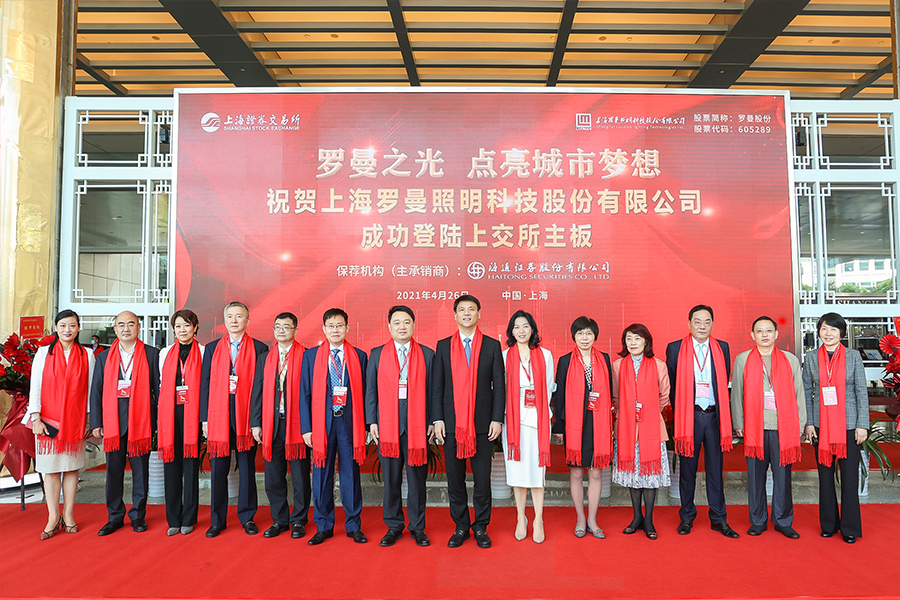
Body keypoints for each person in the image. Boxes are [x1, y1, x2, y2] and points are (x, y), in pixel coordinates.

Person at [431, 294, 505, 548]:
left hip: (483, 425)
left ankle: (481, 526)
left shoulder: (491, 346)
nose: (466, 313)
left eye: (471, 309)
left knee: (482, 479)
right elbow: (437, 387)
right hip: (451, 425)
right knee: (455, 479)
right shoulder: (443, 346)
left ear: (478, 314)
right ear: (455, 316)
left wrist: (497, 419)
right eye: (461, 309)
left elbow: (499, 386)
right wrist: (437, 419)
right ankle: (461, 526)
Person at [665, 304, 739, 538]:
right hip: (690, 417)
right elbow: (672, 385)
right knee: (687, 470)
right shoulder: (675, 348)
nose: (702, 326)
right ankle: (686, 517)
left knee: (716, 470)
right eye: (697, 321)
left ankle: (718, 518)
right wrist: (681, 415)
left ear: (712, 324)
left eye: (707, 322)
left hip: (715, 417)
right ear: (689, 324)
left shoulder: (722, 348)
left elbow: (723, 382)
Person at [365, 305, 435, 547]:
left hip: (418, 429)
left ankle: (417, 527)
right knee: (391, 481)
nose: (402, 327)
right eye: (397, 322)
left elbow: (433, 392)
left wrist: (432, 422)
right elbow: (371, 391)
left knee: (417, 481)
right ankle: (393, 526)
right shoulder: (377, 354)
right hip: (388, 428)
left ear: (414, 325)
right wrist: (372, 422)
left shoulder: (427, 355)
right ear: (389, 326)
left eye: (406, 322)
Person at [731, 316, 806, 538]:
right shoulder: (743, 359)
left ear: (776, 334)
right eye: (759, 331)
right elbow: (737, 394)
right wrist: (739, 423)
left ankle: (783, 520)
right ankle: (758, 520)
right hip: (755, 428)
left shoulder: (790, 360)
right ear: (752, 335)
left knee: (783, 477)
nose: (764, 335)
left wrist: (800, 425)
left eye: (769, 330)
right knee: (755, 477)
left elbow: (799, 393)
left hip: (784, 427)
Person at [200, 301, 269, 538]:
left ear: (247, 320)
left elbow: (261, 387)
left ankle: (247, 517)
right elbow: (205, 384)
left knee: (247, 469)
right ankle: (217, 520)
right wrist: (205, 420)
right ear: (224, 320)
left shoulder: (260, 348)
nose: (234, 320)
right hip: (218, 417)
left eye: (239, 316)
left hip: (246, 416)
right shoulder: (211, 348)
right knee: (218, 470)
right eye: (230, 316)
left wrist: (257, 420)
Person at [25, 309, 95, 540]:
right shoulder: (43, 353)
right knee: (51, 469)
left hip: (75, 421)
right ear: (56, 328)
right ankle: (53, 517)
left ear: (78, 328)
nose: (67, 330)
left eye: (72, 325)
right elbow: (35, 387)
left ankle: (69, 515)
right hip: (48, 422)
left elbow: (90, 390)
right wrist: (35, 418)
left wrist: (89, 419)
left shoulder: (87, 354)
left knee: (71, 468)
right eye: (63, 325)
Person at [300, 308, 368, 545]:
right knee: (321, 475)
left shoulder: (359, 356)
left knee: (351, 475)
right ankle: (324, 525)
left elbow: (366, 393)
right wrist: (306, 428)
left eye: (340, 325)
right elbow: (304, 394)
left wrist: (365, 426)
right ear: (324, 329)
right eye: (331, 326)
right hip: (321, 425)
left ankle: (353, 525)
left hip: (349, 424)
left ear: (347, 328)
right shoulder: (310, 356)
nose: (335, 330)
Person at [90, 311, 160, 536]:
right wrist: (96, 422)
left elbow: (157, 391)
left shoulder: (151, 354)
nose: (126, 328)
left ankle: (138, 516)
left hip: (141, 422)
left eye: (131, 324)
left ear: (138, 327)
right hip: (113, 423)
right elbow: (96, 391)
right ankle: (114, 517)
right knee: (113, 472)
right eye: (121, 325)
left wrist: (158, 422)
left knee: (141, 472)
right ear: (115, 329)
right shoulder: (104, 357)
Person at [802, 312, 868, 544]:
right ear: (818, 332)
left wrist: (862, 425)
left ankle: (849, 527)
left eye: (833, 329)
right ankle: (828, 524)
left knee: (849, 478)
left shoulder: (853, 356)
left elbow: (861, 391)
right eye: (824, 329)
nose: (828, 333)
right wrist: (809, 423)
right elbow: (806, 392)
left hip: (849, 426)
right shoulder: (811, 357)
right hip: (821, 426)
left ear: (841, 332)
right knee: (825, 477)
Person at [551, 316, 613, 539]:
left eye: (588, 333)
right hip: (574, 424)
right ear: (573, 336)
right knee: (576, 472)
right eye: (580, 333)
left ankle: (592, 519)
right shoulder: (565, 361)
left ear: (595, 336)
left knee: (596, 472)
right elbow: (559, 396)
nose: (584, 338)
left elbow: (610, 392)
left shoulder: (604, 359)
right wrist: (559, 427)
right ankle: (580, 517)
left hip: (598, 422)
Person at [251, 312, 310, 539]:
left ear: (296, 330)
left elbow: (310, 394)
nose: (281, 330)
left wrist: (309, 426)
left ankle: (299, 520)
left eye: (286, 326)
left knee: (300, 477)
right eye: (277, 326)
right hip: (271, 425)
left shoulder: (306, 355)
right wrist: (256, 423)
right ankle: (279, 520)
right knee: (273, 478)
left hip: (297, 426)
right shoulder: (265, 358)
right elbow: (257, 392)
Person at [611, 324, 671, 540]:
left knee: (649, 475)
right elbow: (615, 396)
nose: (633, 343)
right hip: (627, 428)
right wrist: (628, 414)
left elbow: (665, 395)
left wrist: (650, 412)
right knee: (633, 475)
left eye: (637, 338)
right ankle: (636, 516)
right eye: (629, 338)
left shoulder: (658, 365)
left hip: (651, 428)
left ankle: (649, 519)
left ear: (646, 341)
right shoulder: (618, 365)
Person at [502, 310, 554, 544]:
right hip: (513, 420)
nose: (521, 330)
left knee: (536, 472)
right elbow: (501, 388)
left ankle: (538, 519)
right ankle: (521, 517)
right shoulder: (504, 356)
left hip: (537, 420)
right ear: (511, 331)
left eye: (525, 326)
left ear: (532, 329)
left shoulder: (546, 355)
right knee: (518, 471)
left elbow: (549, 387)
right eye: (516, 327)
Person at [157, 309, 205, 536]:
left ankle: (189, 518)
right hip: (170, 416)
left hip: (193, 416)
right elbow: (160, 385)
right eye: (178, 326)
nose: (182, 330)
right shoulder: (165, 353)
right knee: (171, 467)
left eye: (186, 325)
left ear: (195, 328)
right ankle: (173, 519)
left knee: (191, 467)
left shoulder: (204, 352)